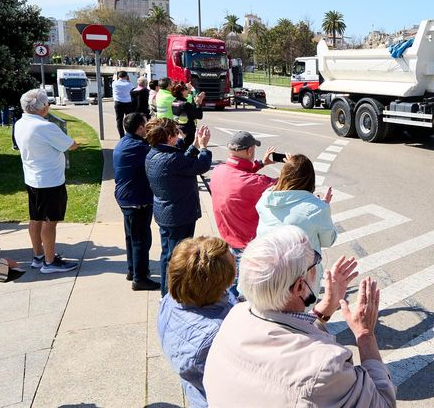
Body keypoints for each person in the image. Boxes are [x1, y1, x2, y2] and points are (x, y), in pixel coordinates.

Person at [203, 226, 395, 407]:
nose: (318, 265)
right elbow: (383, 403)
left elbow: (284, 332)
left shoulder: (235, 316)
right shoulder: (325, 367)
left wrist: (326, 308)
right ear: (300, 286)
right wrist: (365, 334)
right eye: (315, 260)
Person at [158, 236, 236, 408]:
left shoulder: (170, 300)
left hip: (195, 390)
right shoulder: (218, 333)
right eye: (232, 259)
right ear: (222, 282)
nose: (234, 256)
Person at [13, 88, 79, 273]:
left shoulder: (20, 123)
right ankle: (50, 262)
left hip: (32, 177)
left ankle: (39, 255)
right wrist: (75, 143)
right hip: (49, 180)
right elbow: (70, 145)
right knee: (50, 222)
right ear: (43, 107)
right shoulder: (44, 126)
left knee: (36, 218)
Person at [145, 117, 212, 296]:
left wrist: (194, 145)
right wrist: (203, 148)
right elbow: (201, 165)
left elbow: (183, 163)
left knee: (167, 253)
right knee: (178, 258)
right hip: (179, 215)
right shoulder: (171, 159)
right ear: (169, 137)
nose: (179, 135)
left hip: (165, 213)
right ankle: (172, 295)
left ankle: (165, 293)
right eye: (176, 132)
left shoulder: (153, 153)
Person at [209, 131, 277, 295]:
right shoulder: (254, 182)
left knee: (231, 284)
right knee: (245, 290)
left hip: (227, 238)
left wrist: (261, 163)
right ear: (249, 150)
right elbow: (288, 184)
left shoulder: (218, 171)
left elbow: (240, 172)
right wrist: (292, 166)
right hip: (247, 245)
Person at [256, 154, 337, 261]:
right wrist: (323, 207)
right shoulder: (316, 209)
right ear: (311, 178)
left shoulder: (264, 199)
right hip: (299, 269)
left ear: (283, 176)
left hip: (267, 263)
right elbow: (328, 241)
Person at [113, 112, 159, 291]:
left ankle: (133, 270)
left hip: (126, 197)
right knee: (141, 239)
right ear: (140, 128)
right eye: (146, 125)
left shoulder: (125, 142)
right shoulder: (139, 147)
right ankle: (140, 278)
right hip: (136, 199)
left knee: (131, 236)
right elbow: (158, 154)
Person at [171, 82, 205, 147]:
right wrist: (198, 103)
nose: (188, 91)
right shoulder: (185, 104)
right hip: (188, 132)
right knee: (188, 150)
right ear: (182, 91)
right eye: (186, 89)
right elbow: (199, 115)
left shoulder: (174, 102)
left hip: (178, 130)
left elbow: (190, 112)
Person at [112, 70, 135, 138]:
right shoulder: (129, 84)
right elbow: (132, 91)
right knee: (130, 119)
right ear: (126, 76)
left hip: (118, 102)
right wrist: (128, 80)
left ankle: (121, 136)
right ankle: (130, 134)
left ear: (118, 76)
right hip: (128, 103)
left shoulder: (114, 83)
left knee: (119, 120)